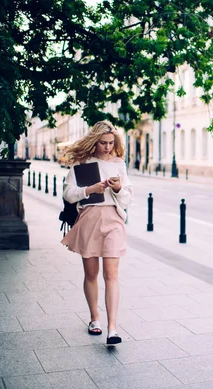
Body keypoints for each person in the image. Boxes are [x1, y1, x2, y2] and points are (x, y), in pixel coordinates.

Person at [61, 121, 133, 345]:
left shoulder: (119, 163)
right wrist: (91, 189)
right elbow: (69, 195)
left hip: (113, 219)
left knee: (111, 275)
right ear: (94, 141)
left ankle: (112, 328)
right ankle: (95, 319)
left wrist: (118, 189)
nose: (108, 147)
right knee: (91, 274)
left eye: (111, 143)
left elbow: (129, 198)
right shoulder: (82, 164)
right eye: (103, 143)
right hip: (89, 220)